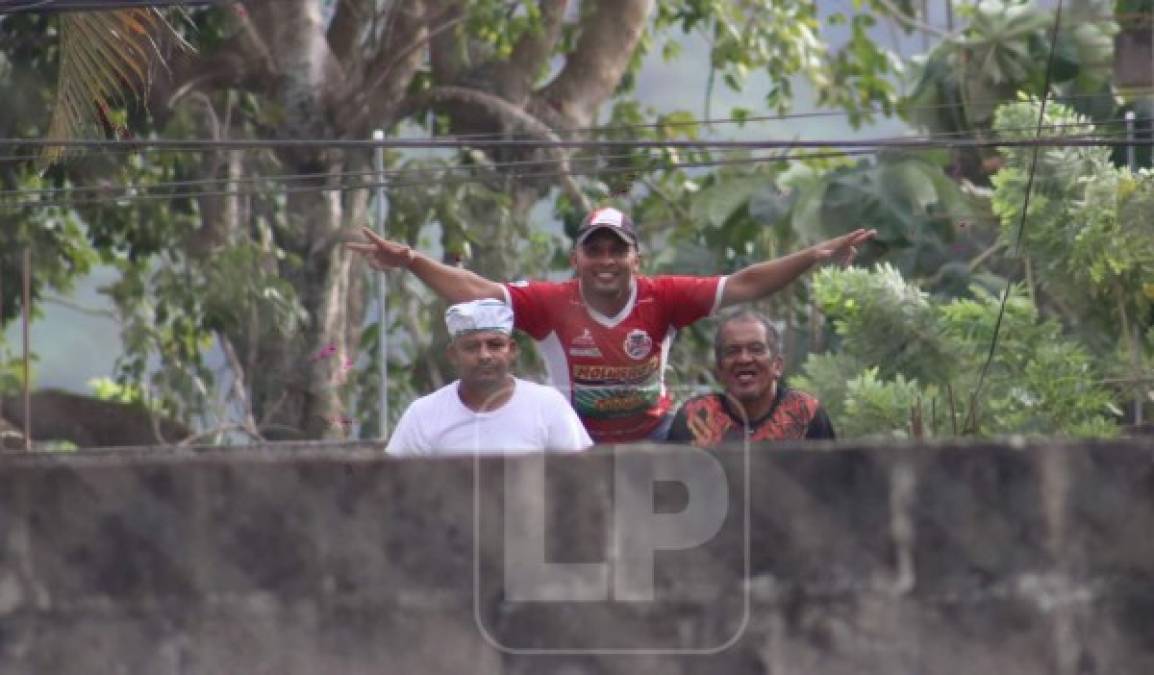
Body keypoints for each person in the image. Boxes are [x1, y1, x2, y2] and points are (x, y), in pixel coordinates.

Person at [351, 207, 871, 443]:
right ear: (576, 260)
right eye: (593, 250)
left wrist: (814, 254)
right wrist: (412, 260)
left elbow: (746, 283)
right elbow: (475, 290)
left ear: (635, 260)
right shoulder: (551, 303)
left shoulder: (664, 296)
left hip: (657, 437)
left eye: (616, 251)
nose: (605, 260)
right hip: (577, 441)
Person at [385, 298, 593, 456]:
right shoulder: (423, 415)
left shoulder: (548, 406)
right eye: (471, 347)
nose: (484, 355)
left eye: (495, 345)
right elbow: (393, 487)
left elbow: (578, 478)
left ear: (512, 350)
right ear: (453, 355)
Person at [667, 310, 835, 446]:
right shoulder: (695, 417)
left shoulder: (805, 413)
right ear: (719, 370)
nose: (744, 359)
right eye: (732, 351)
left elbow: (833, 483)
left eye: (756, 349)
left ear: (777, 366)